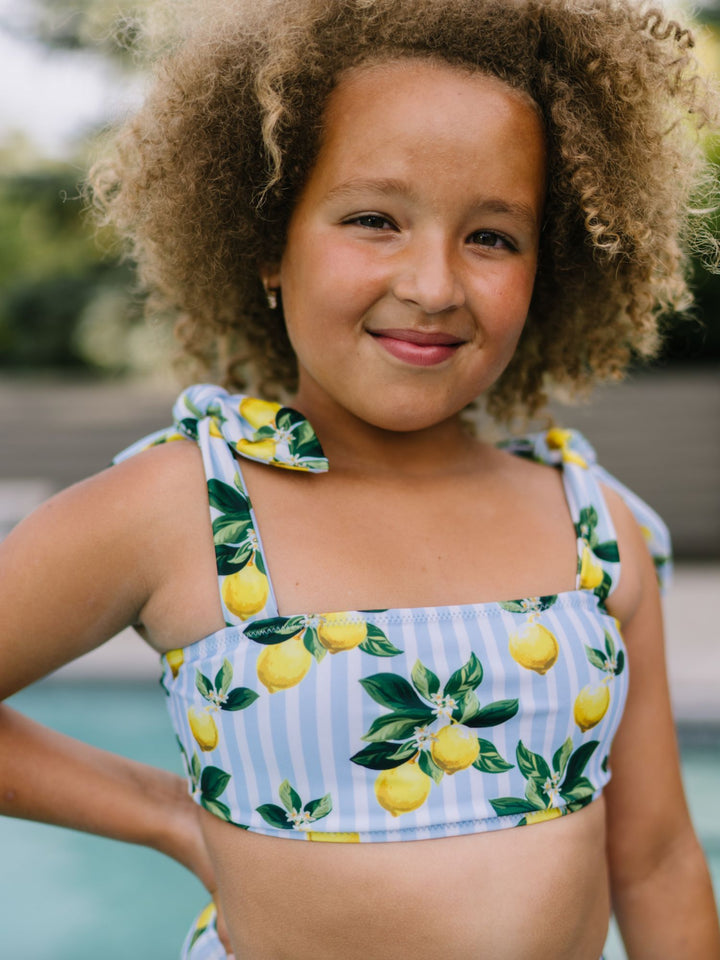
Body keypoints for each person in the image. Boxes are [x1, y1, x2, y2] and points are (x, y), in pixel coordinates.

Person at [1, 0, 719, 957]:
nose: (433, 284)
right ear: (268, 241)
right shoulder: (186, 508)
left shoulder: (595, 526)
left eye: (493, 237)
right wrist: (165, 812)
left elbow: (660, 857)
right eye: (375, 219)